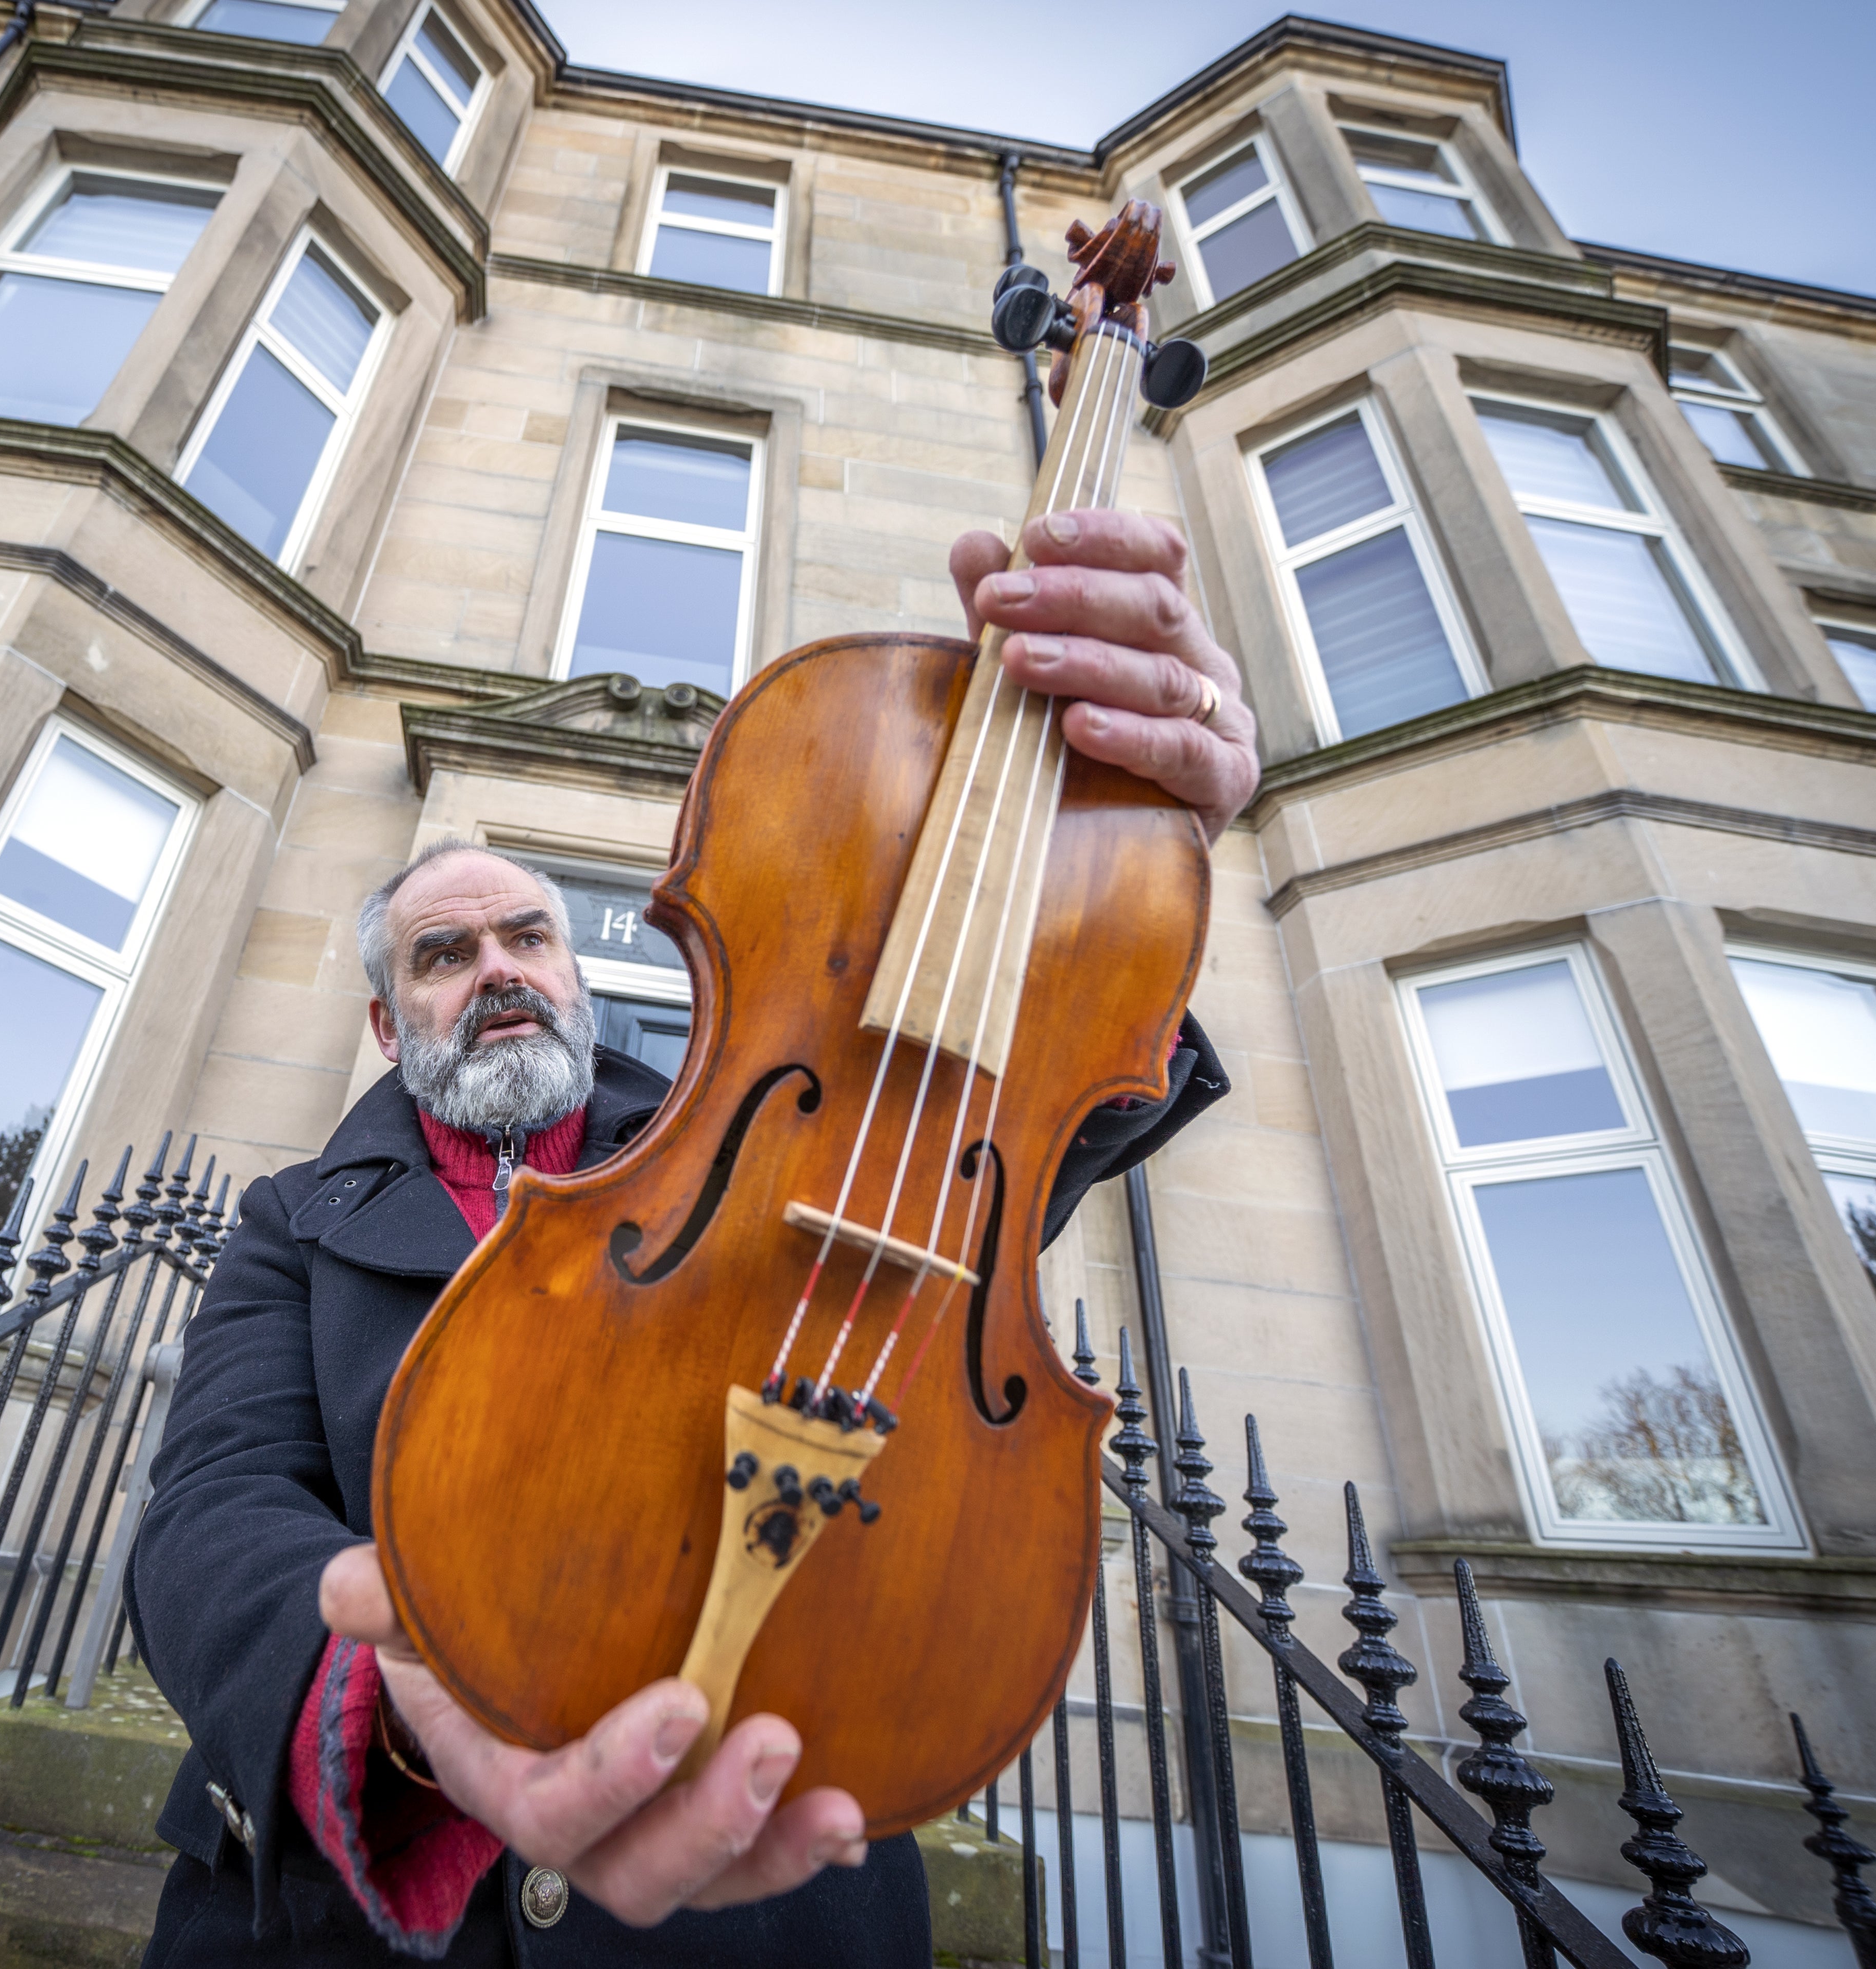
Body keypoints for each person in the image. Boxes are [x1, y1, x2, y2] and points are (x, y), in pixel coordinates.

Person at [131, 511, 1260, 1964]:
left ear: (578, 971)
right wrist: (384, 1701)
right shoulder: (292, 1221)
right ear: (384, 1019)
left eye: (527, 938)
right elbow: (211, 1507)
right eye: (445, 954)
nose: (499, 974)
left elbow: (1002, 1126)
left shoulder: (770, 1143)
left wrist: (1129, 852)